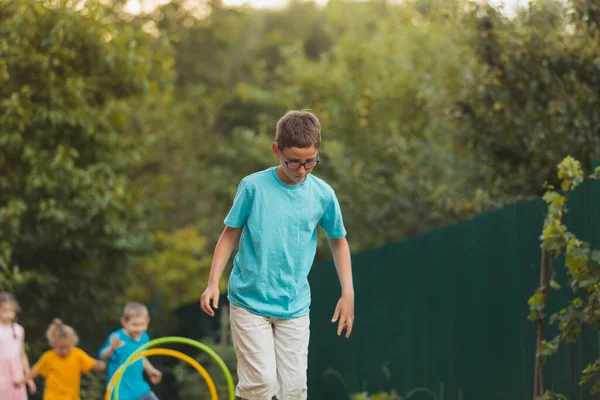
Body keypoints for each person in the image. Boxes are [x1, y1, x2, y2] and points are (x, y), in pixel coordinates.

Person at [200, 109, 355, 400]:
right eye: (292, 161)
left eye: (310, 162)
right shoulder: (253, 187)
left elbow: (339, 240)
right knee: (260, 383)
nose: (301, 170)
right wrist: (212, 282)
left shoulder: (322, 195)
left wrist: (348, 293)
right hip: (249, 300)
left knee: (294, 391)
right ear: (276, 150)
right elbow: (229, 234)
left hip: (294, 305)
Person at [13, 318, 105, 400]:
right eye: (61, 348)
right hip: (53, 397)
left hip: (72, 397)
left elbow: (91, 364)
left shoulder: (78, 354)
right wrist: (23, 381)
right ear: (54, 344)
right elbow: (35, 371)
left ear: (73, 343)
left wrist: (99, 365)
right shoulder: (48, 357)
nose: (64, 351)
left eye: (67, 347)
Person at [100, 302, 162, 400]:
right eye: (135, 325)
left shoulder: (144, 337)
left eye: (142, 324)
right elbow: (103, 356)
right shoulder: (117, 338)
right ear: (124, 322)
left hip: (139, 388)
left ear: (147, 321)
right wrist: (111, 348)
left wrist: (150, 370)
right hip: (120, 391)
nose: (139, 329)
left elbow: (140, 356)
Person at [0, 292, 36, 400]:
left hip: (16, 371)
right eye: (4, 310)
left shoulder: (19, 330)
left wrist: (28, 378)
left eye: (12, 311)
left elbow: (22, 354)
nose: (8, 314)